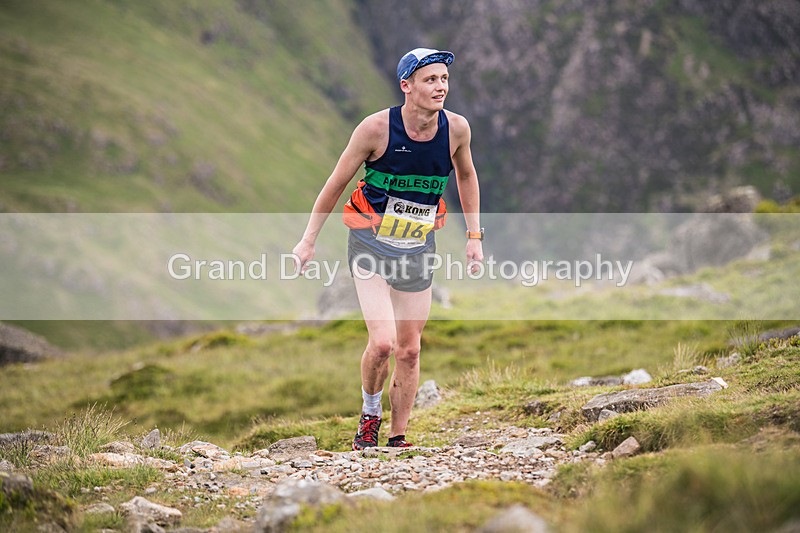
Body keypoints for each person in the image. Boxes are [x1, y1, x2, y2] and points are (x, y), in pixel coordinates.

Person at [292, 47, 483, 450]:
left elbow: (466, 176)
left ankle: (398, 436)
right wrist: (308, 239)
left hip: (417, 247)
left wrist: (473, 237)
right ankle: (369, 416)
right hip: (370, 245)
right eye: (430, 79)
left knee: (409, 349)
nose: (440, 86)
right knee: (382, 343)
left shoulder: (457, 130)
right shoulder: (375, 130)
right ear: (407, 86)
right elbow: (336, 183)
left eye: (444, 79)